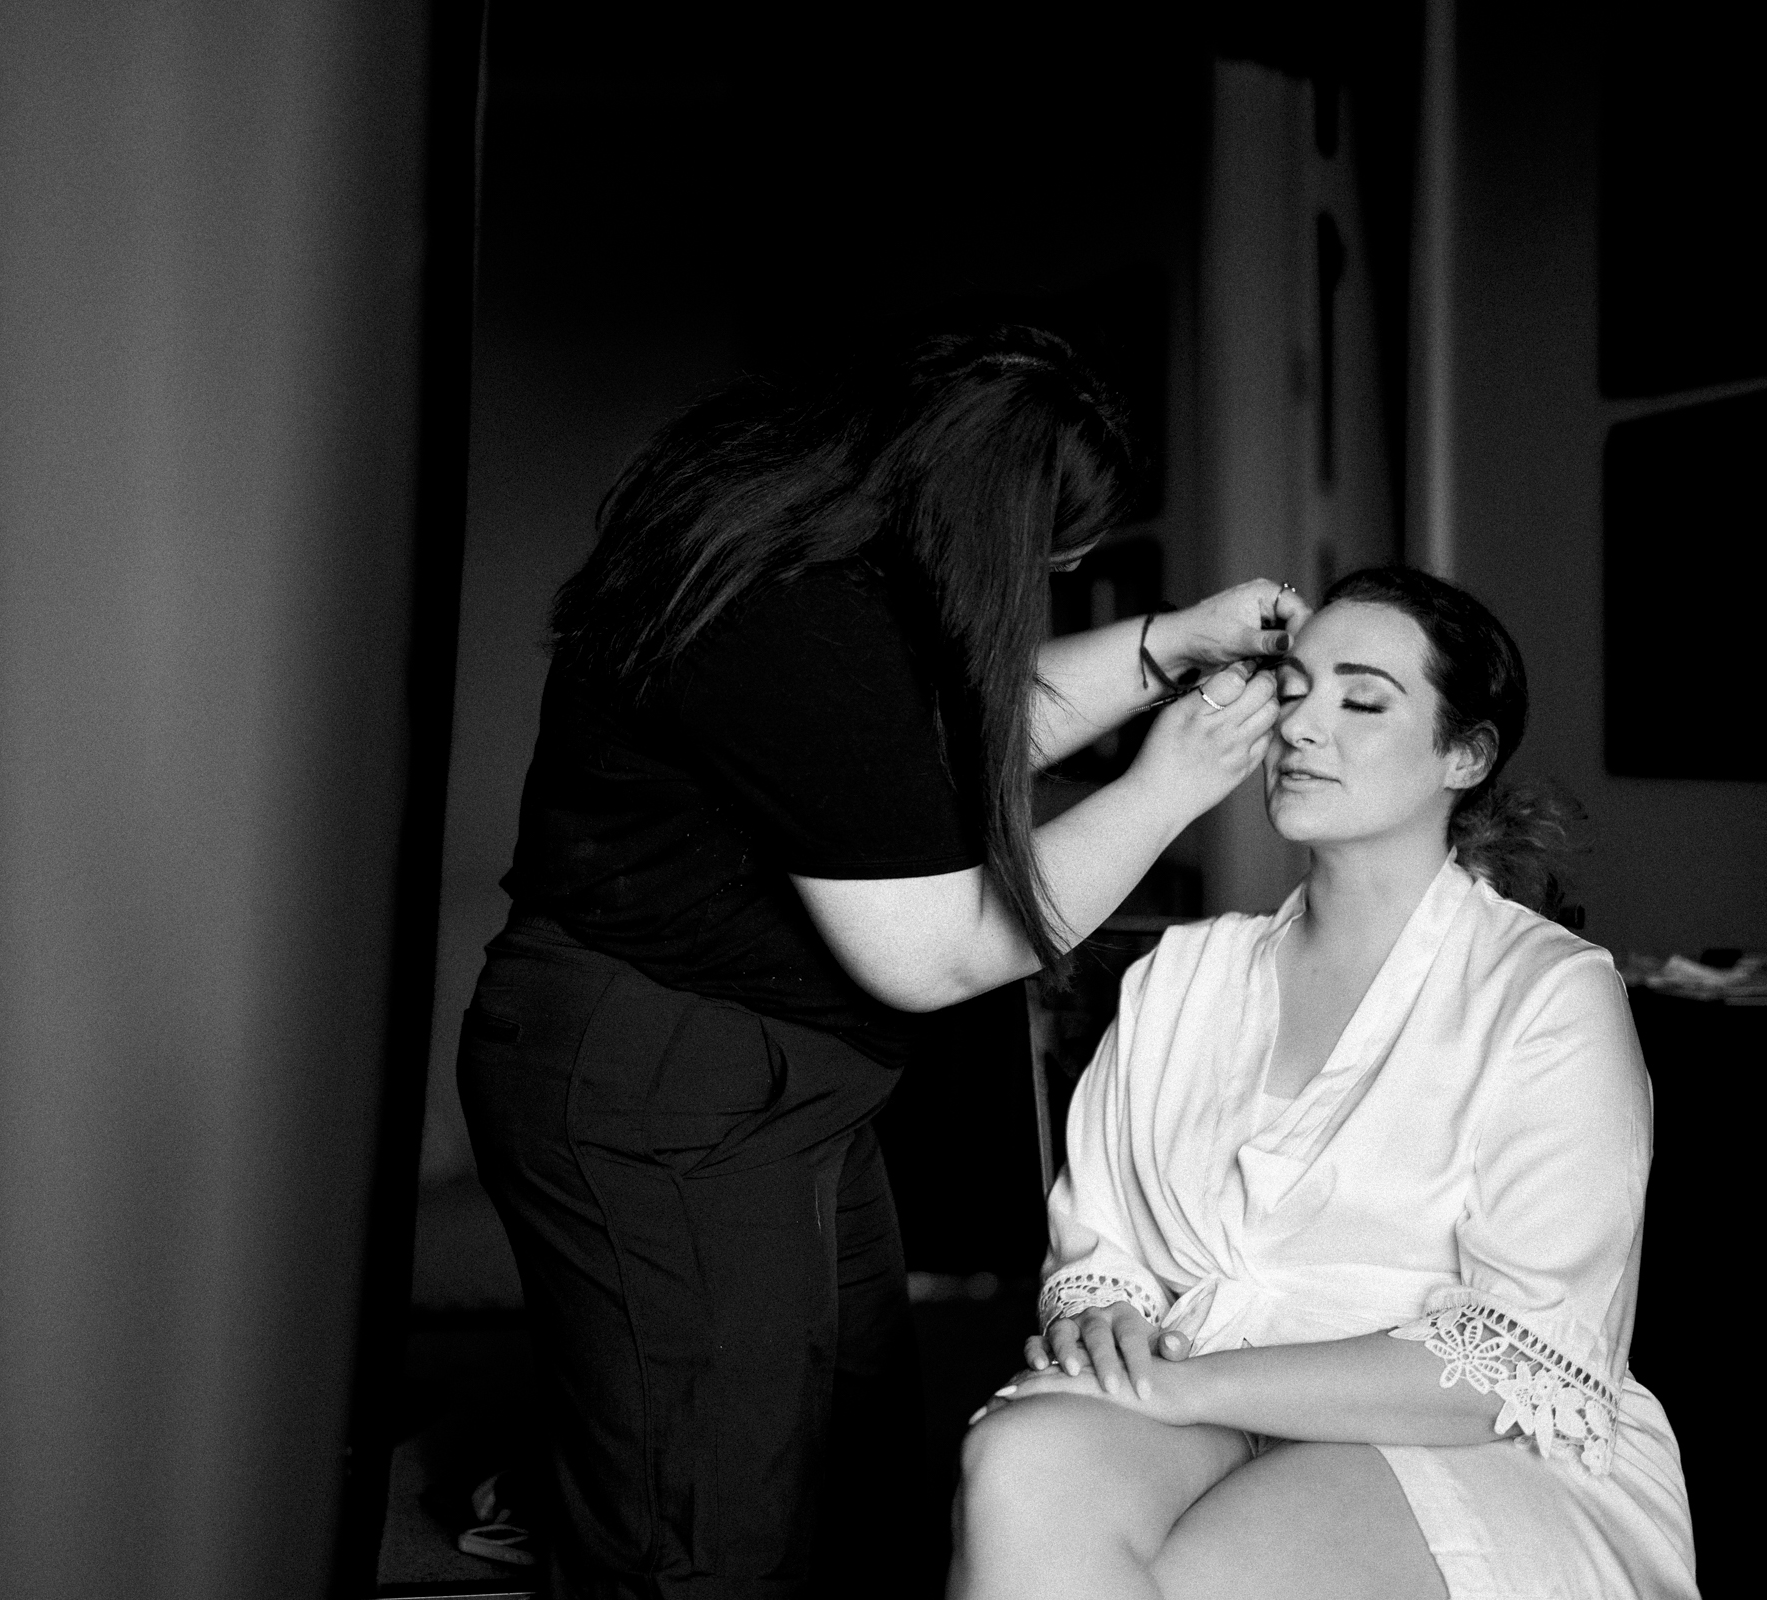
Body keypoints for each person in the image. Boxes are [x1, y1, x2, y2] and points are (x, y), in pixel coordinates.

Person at [456, 328, 1310, 1599]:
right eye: (1050, 554)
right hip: (658, 1080)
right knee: (705, 1531)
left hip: (789, 1084)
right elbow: (937, 948)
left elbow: (936, 741)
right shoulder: (794, 613)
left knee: (847, 1467)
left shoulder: (850, 560)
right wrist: (1168, 786)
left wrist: (1163, 646)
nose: (1056, 576)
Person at [953, 568, 1697, 1600]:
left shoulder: (1547, 996)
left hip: (1459, 1433)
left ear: (1464, 753)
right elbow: (1104, 1248)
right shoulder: (1183, 975)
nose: (1304, 725)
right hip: (1191, 1382)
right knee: (1020, 1465)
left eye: (1362, 698)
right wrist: (1102, 1312)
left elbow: (1515, 1357)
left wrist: (1189, 1384)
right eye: (1293, 688)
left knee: (1217, 1570)